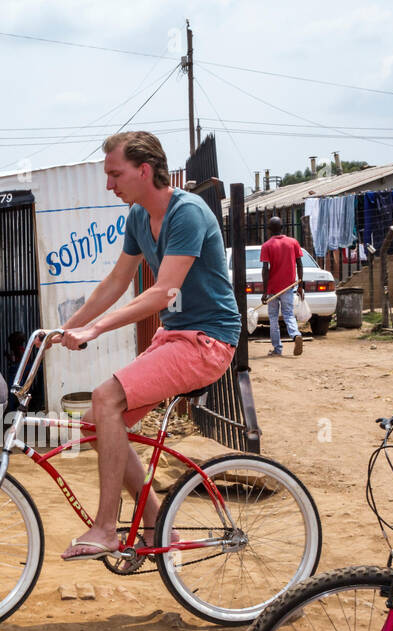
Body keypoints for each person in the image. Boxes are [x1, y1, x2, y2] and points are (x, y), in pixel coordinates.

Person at [55, 130, 241, 560]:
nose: (109, 184)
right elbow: (117, 281)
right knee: (96, 422)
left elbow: (163, 293)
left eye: (114, 173)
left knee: (105, 398)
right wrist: (67, 328)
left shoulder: (187, 213)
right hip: (174, 337)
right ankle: (157, 523)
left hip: (207, 341)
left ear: (144, 170)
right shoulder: (139, 216)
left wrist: (96, 330)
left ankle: (105, 527)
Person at [259, 216, 304, 357]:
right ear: (282, 228)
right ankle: (295, 334)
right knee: (289, 314)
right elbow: (299, 264)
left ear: (269, 230)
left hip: (273, 289)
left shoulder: (267, 246)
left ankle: (277, 349)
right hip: (289, 286)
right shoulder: (293, 242)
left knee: (273, 318)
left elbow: (265, 269)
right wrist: (300, 285)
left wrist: (265, 291)